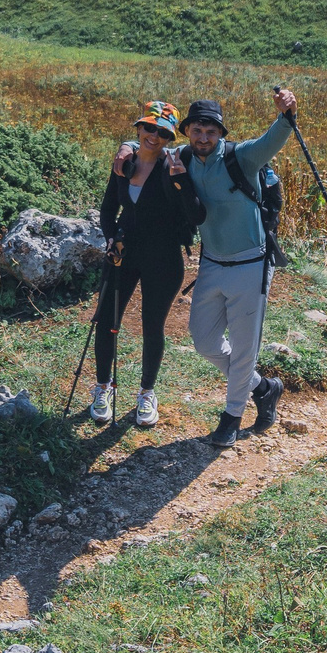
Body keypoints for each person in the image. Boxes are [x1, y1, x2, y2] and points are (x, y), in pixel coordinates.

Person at [127, 86, 298, 448]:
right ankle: (264, 387)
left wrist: (287, 113)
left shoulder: (243, 158)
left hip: (251, 263)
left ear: (221, 133)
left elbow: (275, 137)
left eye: (211, 131)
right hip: (212, 264)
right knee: (204, 340)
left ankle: (231, 417)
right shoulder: (181, 157)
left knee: (243, 345)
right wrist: (126, 149)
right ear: (188, 131)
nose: (203, 137)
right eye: (197, 130)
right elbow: (148, 147)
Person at [90, 100, 201, 428]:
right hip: (122, 255)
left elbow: (195, 213)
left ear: (170, 136)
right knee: (107, 321)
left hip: (164, 258)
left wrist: (180, 182)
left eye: (163, 131)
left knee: (153, 327)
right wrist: (111, 238)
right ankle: (102, 387)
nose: (154, 136)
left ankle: (146, 393)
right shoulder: (124, 164)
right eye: (148, 128)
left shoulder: (177, 163)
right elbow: (108, 210)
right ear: (138, 128)